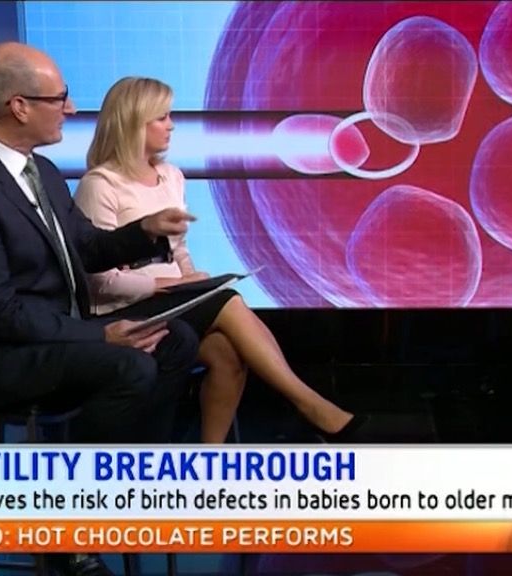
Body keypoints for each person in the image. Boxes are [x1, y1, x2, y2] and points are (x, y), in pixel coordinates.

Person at [0, 44, 200, 576]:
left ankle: (126, 487)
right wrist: (99, 337)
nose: (70, 109)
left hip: (47, 334)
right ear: (19, 106)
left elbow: (85, 247)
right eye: (60, 98)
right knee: (127, 364)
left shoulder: (41, 171)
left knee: (175, 339)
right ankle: (66, 530)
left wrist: (145, 230)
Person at [74, 76, 372, 443]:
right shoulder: (100, 185)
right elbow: (99, 283)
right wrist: (176, 284)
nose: (171, 125)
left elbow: (178, 250)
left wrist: (190, 279)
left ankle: (211, 458)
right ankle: (310, 405)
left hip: (173, 301)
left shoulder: (171, 176)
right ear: (133, 122)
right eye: (162, 117)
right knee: (226, 299)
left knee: (228, 354)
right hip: (121, 310)